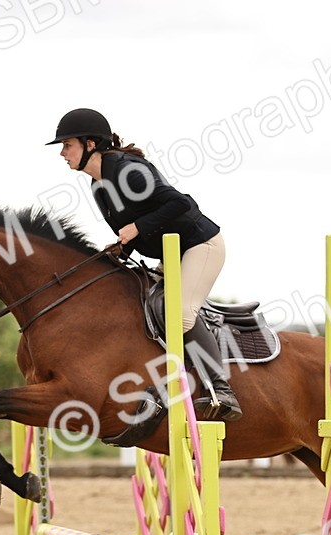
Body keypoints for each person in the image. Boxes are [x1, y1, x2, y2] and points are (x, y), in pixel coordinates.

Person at [46, 108, 241, 422]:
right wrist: (118, 250)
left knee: (178, 313)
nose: (62, 153)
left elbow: (182, 203)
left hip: (200, 247)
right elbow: (133, 230)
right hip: (170, 254)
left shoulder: (129, 172)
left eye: (67, 145)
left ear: (90, 144)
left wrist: (137, 228)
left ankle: (222, 390)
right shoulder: (98, 185)